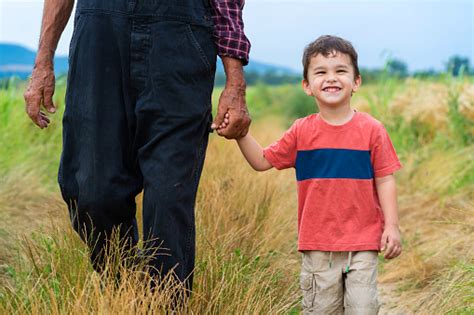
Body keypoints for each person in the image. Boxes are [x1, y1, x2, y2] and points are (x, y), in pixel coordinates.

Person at [23, 0, 251, 295]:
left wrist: (235, 82)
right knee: (91, 192)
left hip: (181, 36)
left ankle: (164, 305)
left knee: (169, 199)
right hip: (100, 34)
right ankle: (126, 290)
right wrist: (43, 60)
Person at [216, 35, 402, 314]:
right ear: (307, 86)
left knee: (363, 308)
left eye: (341, 71)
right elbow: (262, 161)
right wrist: (240, 133)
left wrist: (392, 226)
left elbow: (385, 179)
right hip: (318, 245)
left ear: (357, 81)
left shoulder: (372, 130)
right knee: (321, 309)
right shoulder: (302, 132)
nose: (332, 78)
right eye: (321, 72)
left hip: (363, 242)